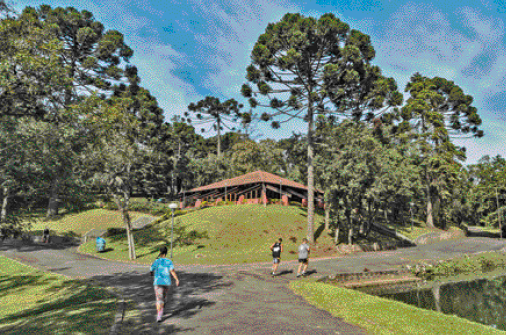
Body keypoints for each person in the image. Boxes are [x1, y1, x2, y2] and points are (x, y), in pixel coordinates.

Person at [150, 246, 180, 322]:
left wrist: (153, 267)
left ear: (160, 252)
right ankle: (160, 313)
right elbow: (172, 271)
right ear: (166, 253)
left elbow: (151, 271)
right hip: (166, 283)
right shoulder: (168, 261)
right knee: (162, 299)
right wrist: (176, 279)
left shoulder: (156, 261)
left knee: (159, 299)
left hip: (157, 282)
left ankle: (159, 315)